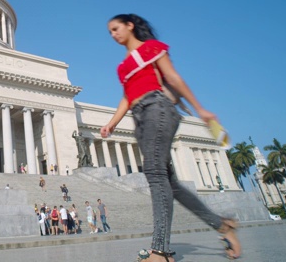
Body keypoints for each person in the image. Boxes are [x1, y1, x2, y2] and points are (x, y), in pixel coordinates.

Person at [100, 14, 241, 261]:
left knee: (154, 173)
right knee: (170, 183)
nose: (113, 35)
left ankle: (161, 251)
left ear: (130, 25)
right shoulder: (122, 67)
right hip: (140, 116)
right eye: (109, 32)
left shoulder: (152, 48)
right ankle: (223, 225)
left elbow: (173, 78)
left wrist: (200, 109)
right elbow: (127, 97)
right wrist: (111, 124)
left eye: (116, 28)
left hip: (158, 108)